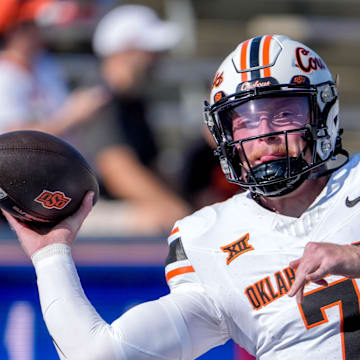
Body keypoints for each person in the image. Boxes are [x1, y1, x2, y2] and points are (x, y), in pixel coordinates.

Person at [5, 34, 360, 359]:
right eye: (246, 121)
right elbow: (98, 355)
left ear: (322, 115)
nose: (263, 134)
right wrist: (50, 254)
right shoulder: (209, 238)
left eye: (282, 114)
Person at [69, 4, 190, 234]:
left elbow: (151, 167)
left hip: (111, 203)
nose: (158, 59)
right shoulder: (98, 97)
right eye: (150, 51)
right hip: (83, 210)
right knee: (162, 219)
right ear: (125, 52)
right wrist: (179, 210)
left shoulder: (133, 100)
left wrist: (189, 204)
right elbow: (117, 171)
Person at [0, 0, 109, 136]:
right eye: (35, 24)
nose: (44, 31)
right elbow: (15, 140)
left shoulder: (44, 64)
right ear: (15, 30)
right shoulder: (5, 76)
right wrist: (73, 115)